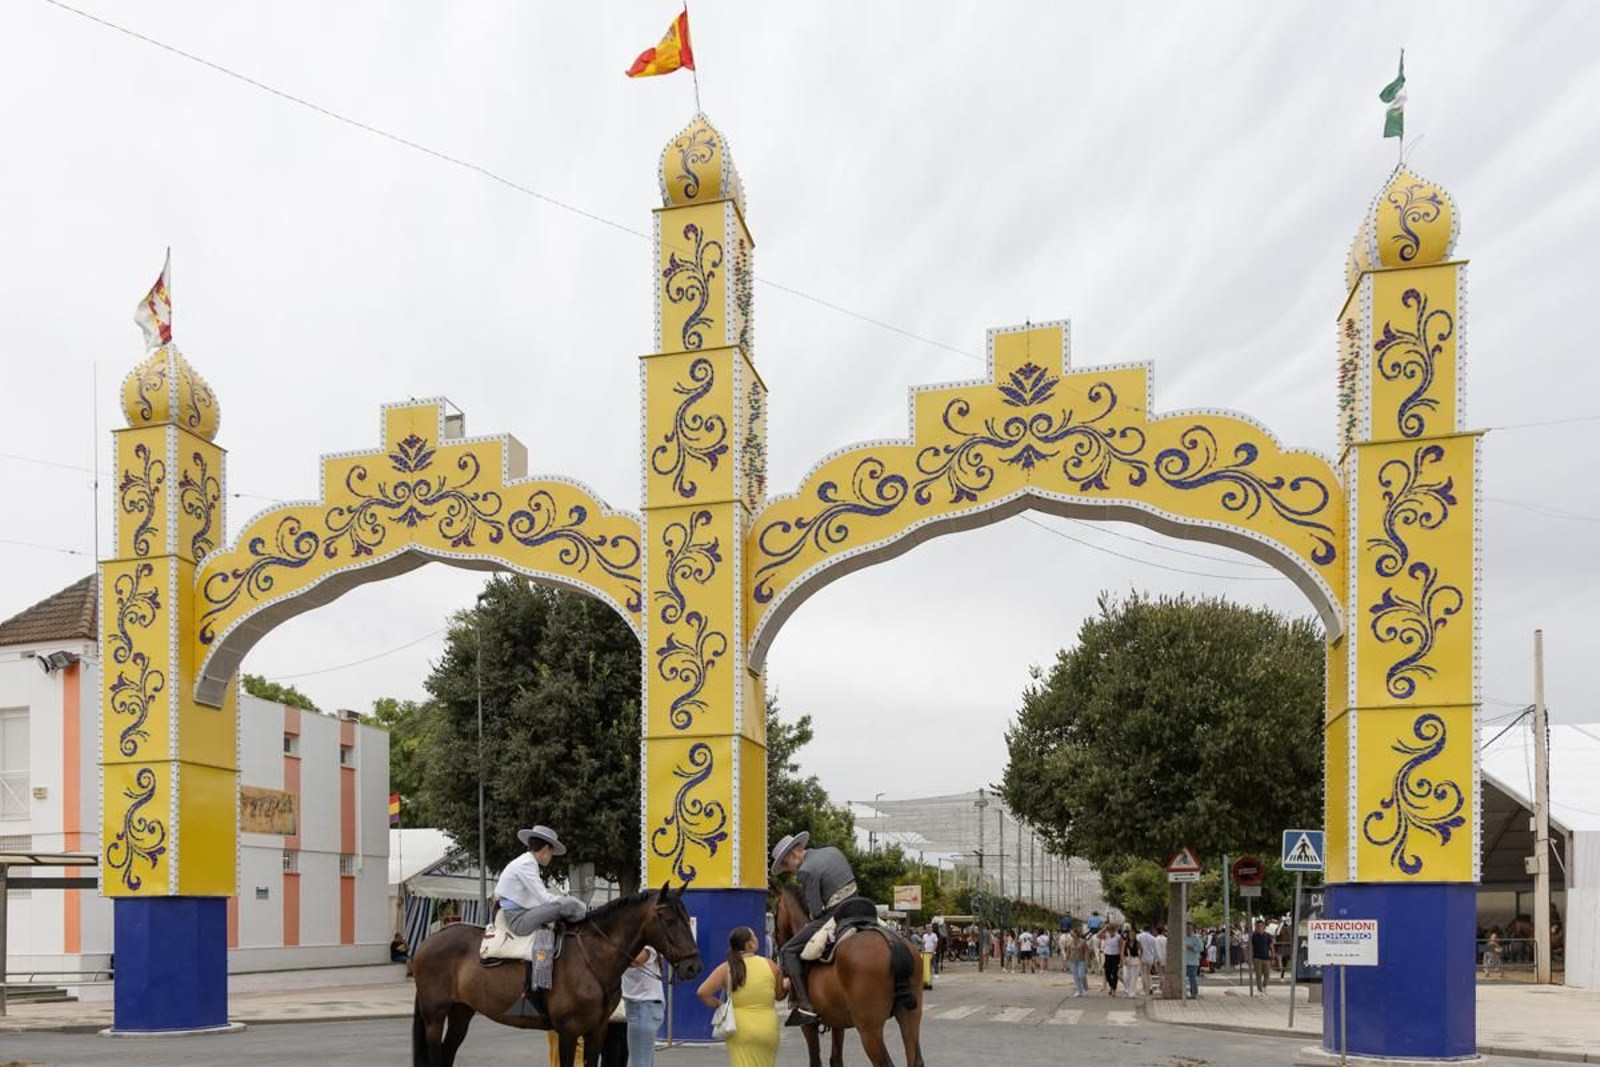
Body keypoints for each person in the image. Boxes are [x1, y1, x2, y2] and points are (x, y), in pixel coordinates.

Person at [770, 831, 857, 1026]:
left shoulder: (806, 870)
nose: (790, 871)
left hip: (835, 914)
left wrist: (813, 917)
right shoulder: (832, 850)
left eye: (786, 866)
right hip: (858, 906)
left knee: (788, 950)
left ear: (793, 855)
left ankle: (805, 1006)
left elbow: (816, 912)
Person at [698, 926, 786, 1067]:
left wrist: (721, 1006)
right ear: (749, 944)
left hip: (740, 1028)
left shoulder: (727, 968)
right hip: (768, 1027)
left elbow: (702, 992)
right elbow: (780, 995)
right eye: (754, 936)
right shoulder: (771, 965)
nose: (757, 939)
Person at [494, 826, 587, 934]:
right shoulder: (526, 864)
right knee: (566, 905)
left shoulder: (527, 861)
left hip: (521, 913)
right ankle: (584, 917)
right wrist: (569, 902)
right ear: (546, 848)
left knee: (564, 903)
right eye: (552, 853)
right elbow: (544, 898)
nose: (551, 857)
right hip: (518, 919)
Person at [623, 943, 665, 1067]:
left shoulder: (648, 947)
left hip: (643, 1008)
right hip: (644, 1008)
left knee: (640, 1063)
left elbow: (633, 960)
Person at [1250, 919, 1274, 992]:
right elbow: (1251, 947)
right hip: (1257, 958)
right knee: (1258, 975)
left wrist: (1273, 957)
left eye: (1261, 926)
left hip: (1266, 958)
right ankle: (1259, 990)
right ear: (1256, 927)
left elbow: (1271, 947)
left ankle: (1264, 986)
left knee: (1267, 975)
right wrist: (1250, 958)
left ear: (1264, 926)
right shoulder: (1254, 936)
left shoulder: (1268, 936)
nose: (1259, 927)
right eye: (1258, 926)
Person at [1136, 923, 1159, 995]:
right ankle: (1150, 987)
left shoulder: (1139, 936)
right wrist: (1155, 958)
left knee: (1143, 973)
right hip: (1150, 957)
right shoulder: (1153, 938)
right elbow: (1155, 949)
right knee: (1148, 973)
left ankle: (1144, 989)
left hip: (1142, 956)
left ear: (1143, 929)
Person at [1183, 924, 1204, 999]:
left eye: (1189, 929)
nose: (1188, 930)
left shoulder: (1196, 938)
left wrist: (1192, 948)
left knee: (1192, 978)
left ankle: (1194, 993)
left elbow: (1201, 948)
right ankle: (1184, 993)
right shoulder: (1183, 938)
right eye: (1186, 928)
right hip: (1184, 961)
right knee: (1183, 978)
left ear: (1192, 929)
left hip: (1193, 961)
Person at [1101, 925, 1122, 996]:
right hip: (1107, 956)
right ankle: (1111, 985)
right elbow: (1098, 935)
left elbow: (1121, 947)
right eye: (1109, 930)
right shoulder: (1106, 936)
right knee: (1107, 973)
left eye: (1112, 930)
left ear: (1114, 930)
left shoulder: (1118, 937)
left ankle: (1114, 989)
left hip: (1115, 956)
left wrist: (1121, 959)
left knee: (1114, 973)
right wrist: (1104, 928)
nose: (1111, 932)